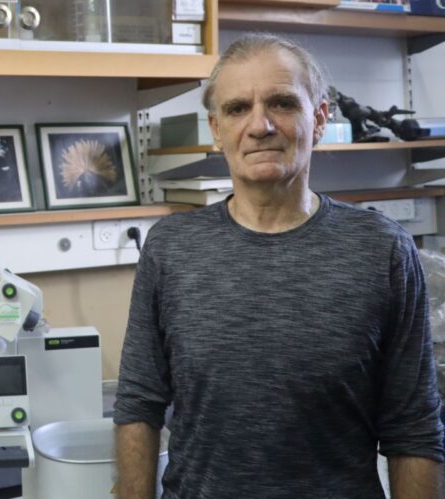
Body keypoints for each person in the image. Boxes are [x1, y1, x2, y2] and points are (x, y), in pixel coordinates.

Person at [114, 33, 443, 498]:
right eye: (237, 109)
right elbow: (138, 404)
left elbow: (413, 427)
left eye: (282, 104)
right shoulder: (170, 248)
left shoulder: (383, 250)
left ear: (320, 118)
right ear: (217, 130)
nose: (260, 125)